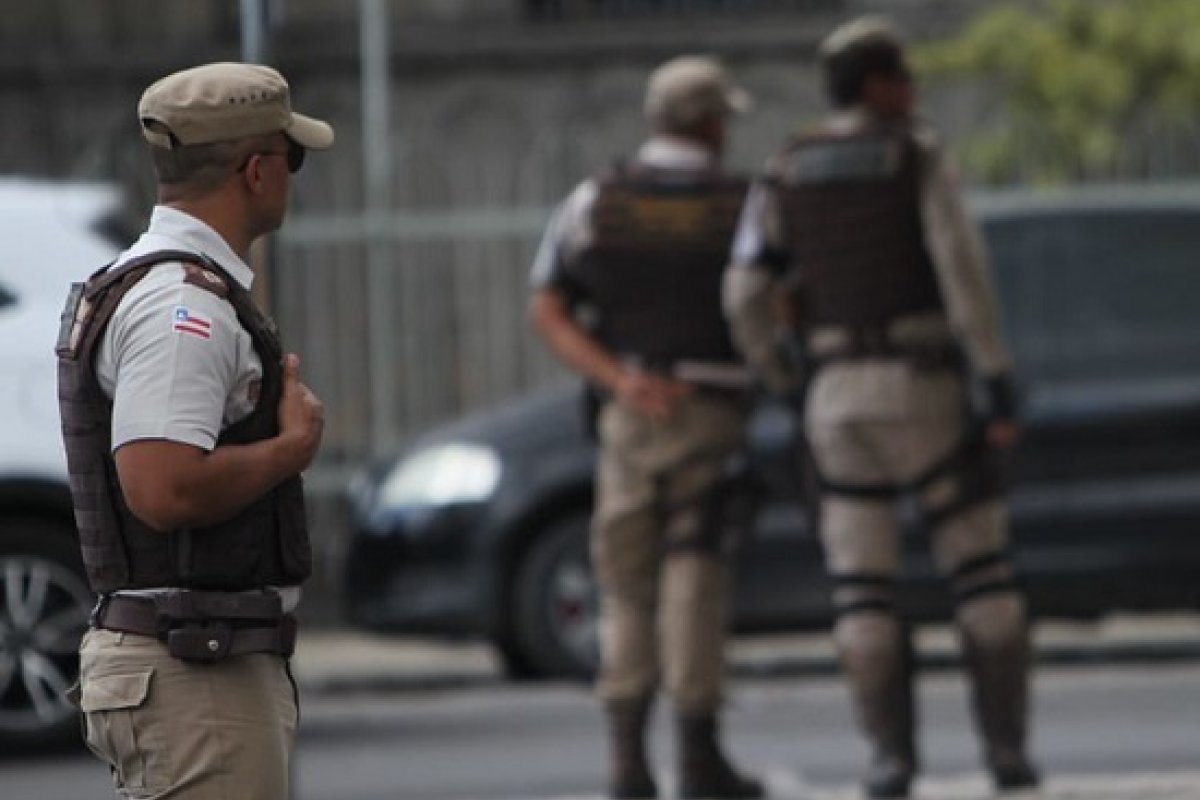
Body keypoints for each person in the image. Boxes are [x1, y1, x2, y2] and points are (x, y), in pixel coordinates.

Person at [723, 17, 1039, 799]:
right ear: (876, 85)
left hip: (834, 399)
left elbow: (742, 291)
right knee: (983, 582)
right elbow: (961, 266)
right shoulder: (915, 155)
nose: (914, 89)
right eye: (903, 75)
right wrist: (994, 373)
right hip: (921, 384)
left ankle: (889, 762)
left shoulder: (785, 167)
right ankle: (1006, 754)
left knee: (862, 593)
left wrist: (780, 373)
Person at [56, 62, 331, 800]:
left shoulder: (164, 285)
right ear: (256, 170)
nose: (291, 176)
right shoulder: (186, 308)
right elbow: (163, 488)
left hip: (194, 660)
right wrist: (290, 450)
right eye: (292, 157)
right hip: (193, 671)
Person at [529, 56, 765, 800]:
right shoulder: (744, 203)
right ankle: (699, 757)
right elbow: (773, 300)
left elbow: (547, 305)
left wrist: (618, 376)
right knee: (694, 576)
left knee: (625, 585)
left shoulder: (598, 197)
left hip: (631, 419)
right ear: (710, 122)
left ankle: (627, 763)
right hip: (713, 412)